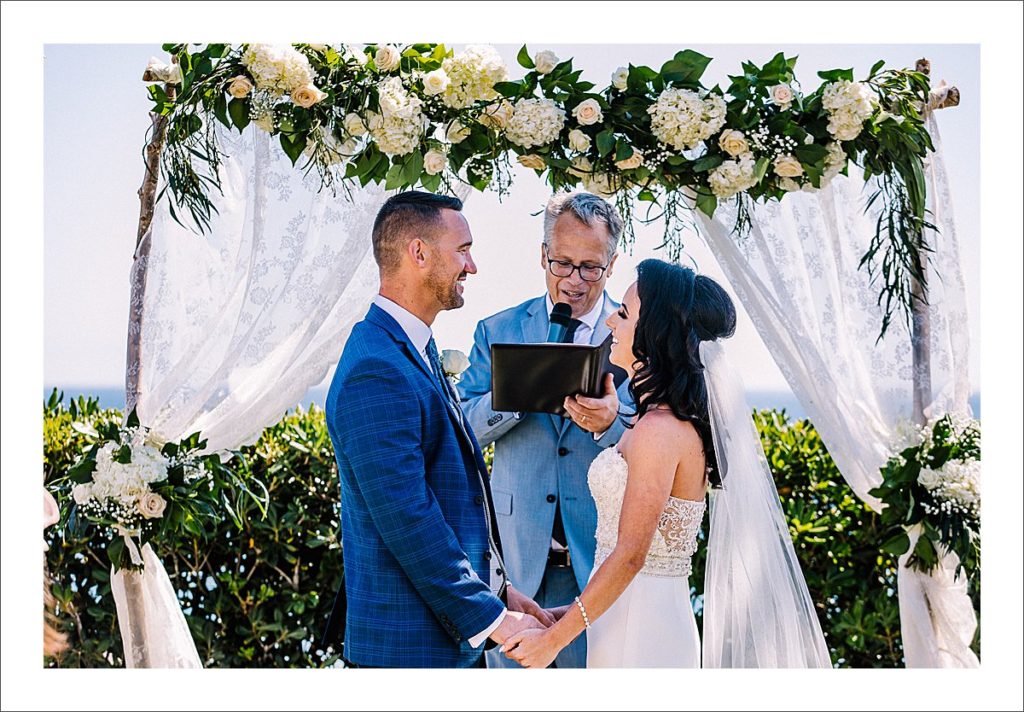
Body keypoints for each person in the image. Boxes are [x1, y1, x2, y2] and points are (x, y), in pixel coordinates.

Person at [501, 259, 831, 668]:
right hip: (623, 618)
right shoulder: (652, 420)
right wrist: (562, 615)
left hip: (644, 630)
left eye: (623, 314)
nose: (610, 324)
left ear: (654, 333)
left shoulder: (661, 430)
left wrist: (554, 641)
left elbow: (631, 556)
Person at [323, 191, 549, 668]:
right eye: (462, 249)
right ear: (418, 253)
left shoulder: (412, 347)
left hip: (435, 644)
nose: (473, 266)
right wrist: (491, 618)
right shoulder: (376, 369)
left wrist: (500, 591)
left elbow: (450, 498)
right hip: (408, 650)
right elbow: (410, 519)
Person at [458, 191, 632, 668]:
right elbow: (460, 430)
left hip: (597, 568)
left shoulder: (636, 334)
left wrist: (609, 424)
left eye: (590, 267)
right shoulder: (497, 330)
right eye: (562, 263)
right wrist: (514, 395)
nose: (574, 281)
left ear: (612, 264)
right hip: (513, 566)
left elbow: (656, 437)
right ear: (542, 255)